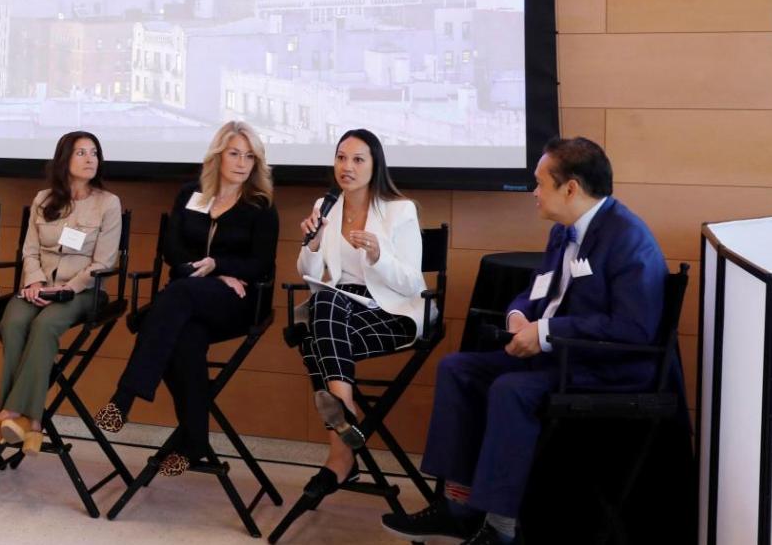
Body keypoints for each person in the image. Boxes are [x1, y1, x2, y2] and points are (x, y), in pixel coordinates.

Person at [381, 137, 668, 545]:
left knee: (511, 389)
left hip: (605, 367)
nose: (533, 192)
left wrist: (547, 334)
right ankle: (456, 508)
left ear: (570, 188)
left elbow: (634, 329)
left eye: (539, 183)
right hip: (559, 357)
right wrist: (518, 315)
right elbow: (538, 292)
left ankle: (500, 528)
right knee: (457, 368)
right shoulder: (562, 233)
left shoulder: (627, 238)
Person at [94, 121, 277, 475]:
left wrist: (219, 264)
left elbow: (261, 263)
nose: (242, 163)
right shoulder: (191, 194)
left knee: (170, 304)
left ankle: (125, 396)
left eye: (249, 157)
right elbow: (172, 248)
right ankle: (194, 443)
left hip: (238, 302)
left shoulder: (260, 205)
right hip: (190, 295)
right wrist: (209, 271)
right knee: (186, 340)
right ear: (218, 156)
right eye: (234, 154)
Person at [291, 129, 426, 498]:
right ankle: (346, 423)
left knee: (314, 336)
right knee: (325, 303)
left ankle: (340, 454)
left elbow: (413, 283)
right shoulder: (326, 205)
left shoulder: (400, 210)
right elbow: (308, 271)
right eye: (340, 157)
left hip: (391, 311)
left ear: (374, 165)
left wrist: (380, 254)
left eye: (357, 159)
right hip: (339, 308)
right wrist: (314, 243)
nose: (346, 167)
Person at [0, 132, 121, 453]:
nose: (90, 158)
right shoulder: (43, 199)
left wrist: (69, 287)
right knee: (12, 321)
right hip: (40, 286)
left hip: (82, 291)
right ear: (64, 159)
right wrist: (35, 281)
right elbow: (30, 251)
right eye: (81, 152)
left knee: (46, 324)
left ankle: (11, 415)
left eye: (94, 152)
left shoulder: (108, 203)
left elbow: (104, 262)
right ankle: (31, 424)